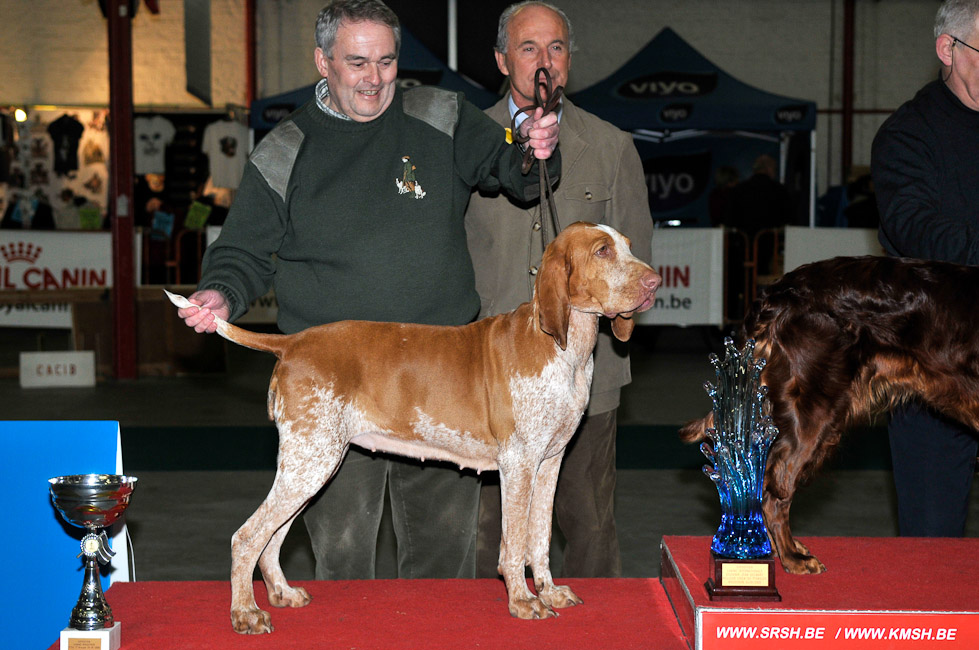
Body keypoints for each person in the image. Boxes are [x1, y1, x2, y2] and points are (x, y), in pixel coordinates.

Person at [175, 0, 560, 580]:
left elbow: (513, 172)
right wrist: (220, 293)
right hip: (339, 375)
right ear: (322, 62)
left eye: (386, 61)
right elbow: (242, 249)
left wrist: (535, 148)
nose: (375, 79)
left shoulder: (441, 112)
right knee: (344, 561)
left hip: (444, 374)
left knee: (442, 561)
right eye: (357, 62)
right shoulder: (283, 148)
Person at [464, 1, 653, 578]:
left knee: (591, 530)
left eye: (556, 48)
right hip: (487, 381)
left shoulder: (613, 146)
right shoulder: (467, 142)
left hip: (585, 382)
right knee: (481, 537)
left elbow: (635, 264)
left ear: (568, 63)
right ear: (501, 59)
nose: (543, 61)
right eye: (527, 48)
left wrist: (627, 312)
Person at [871, 0, 979, 538]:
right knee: (932, 542)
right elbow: (917, 233)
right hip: (933, 366)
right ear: (950, 50)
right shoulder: (906, 135)